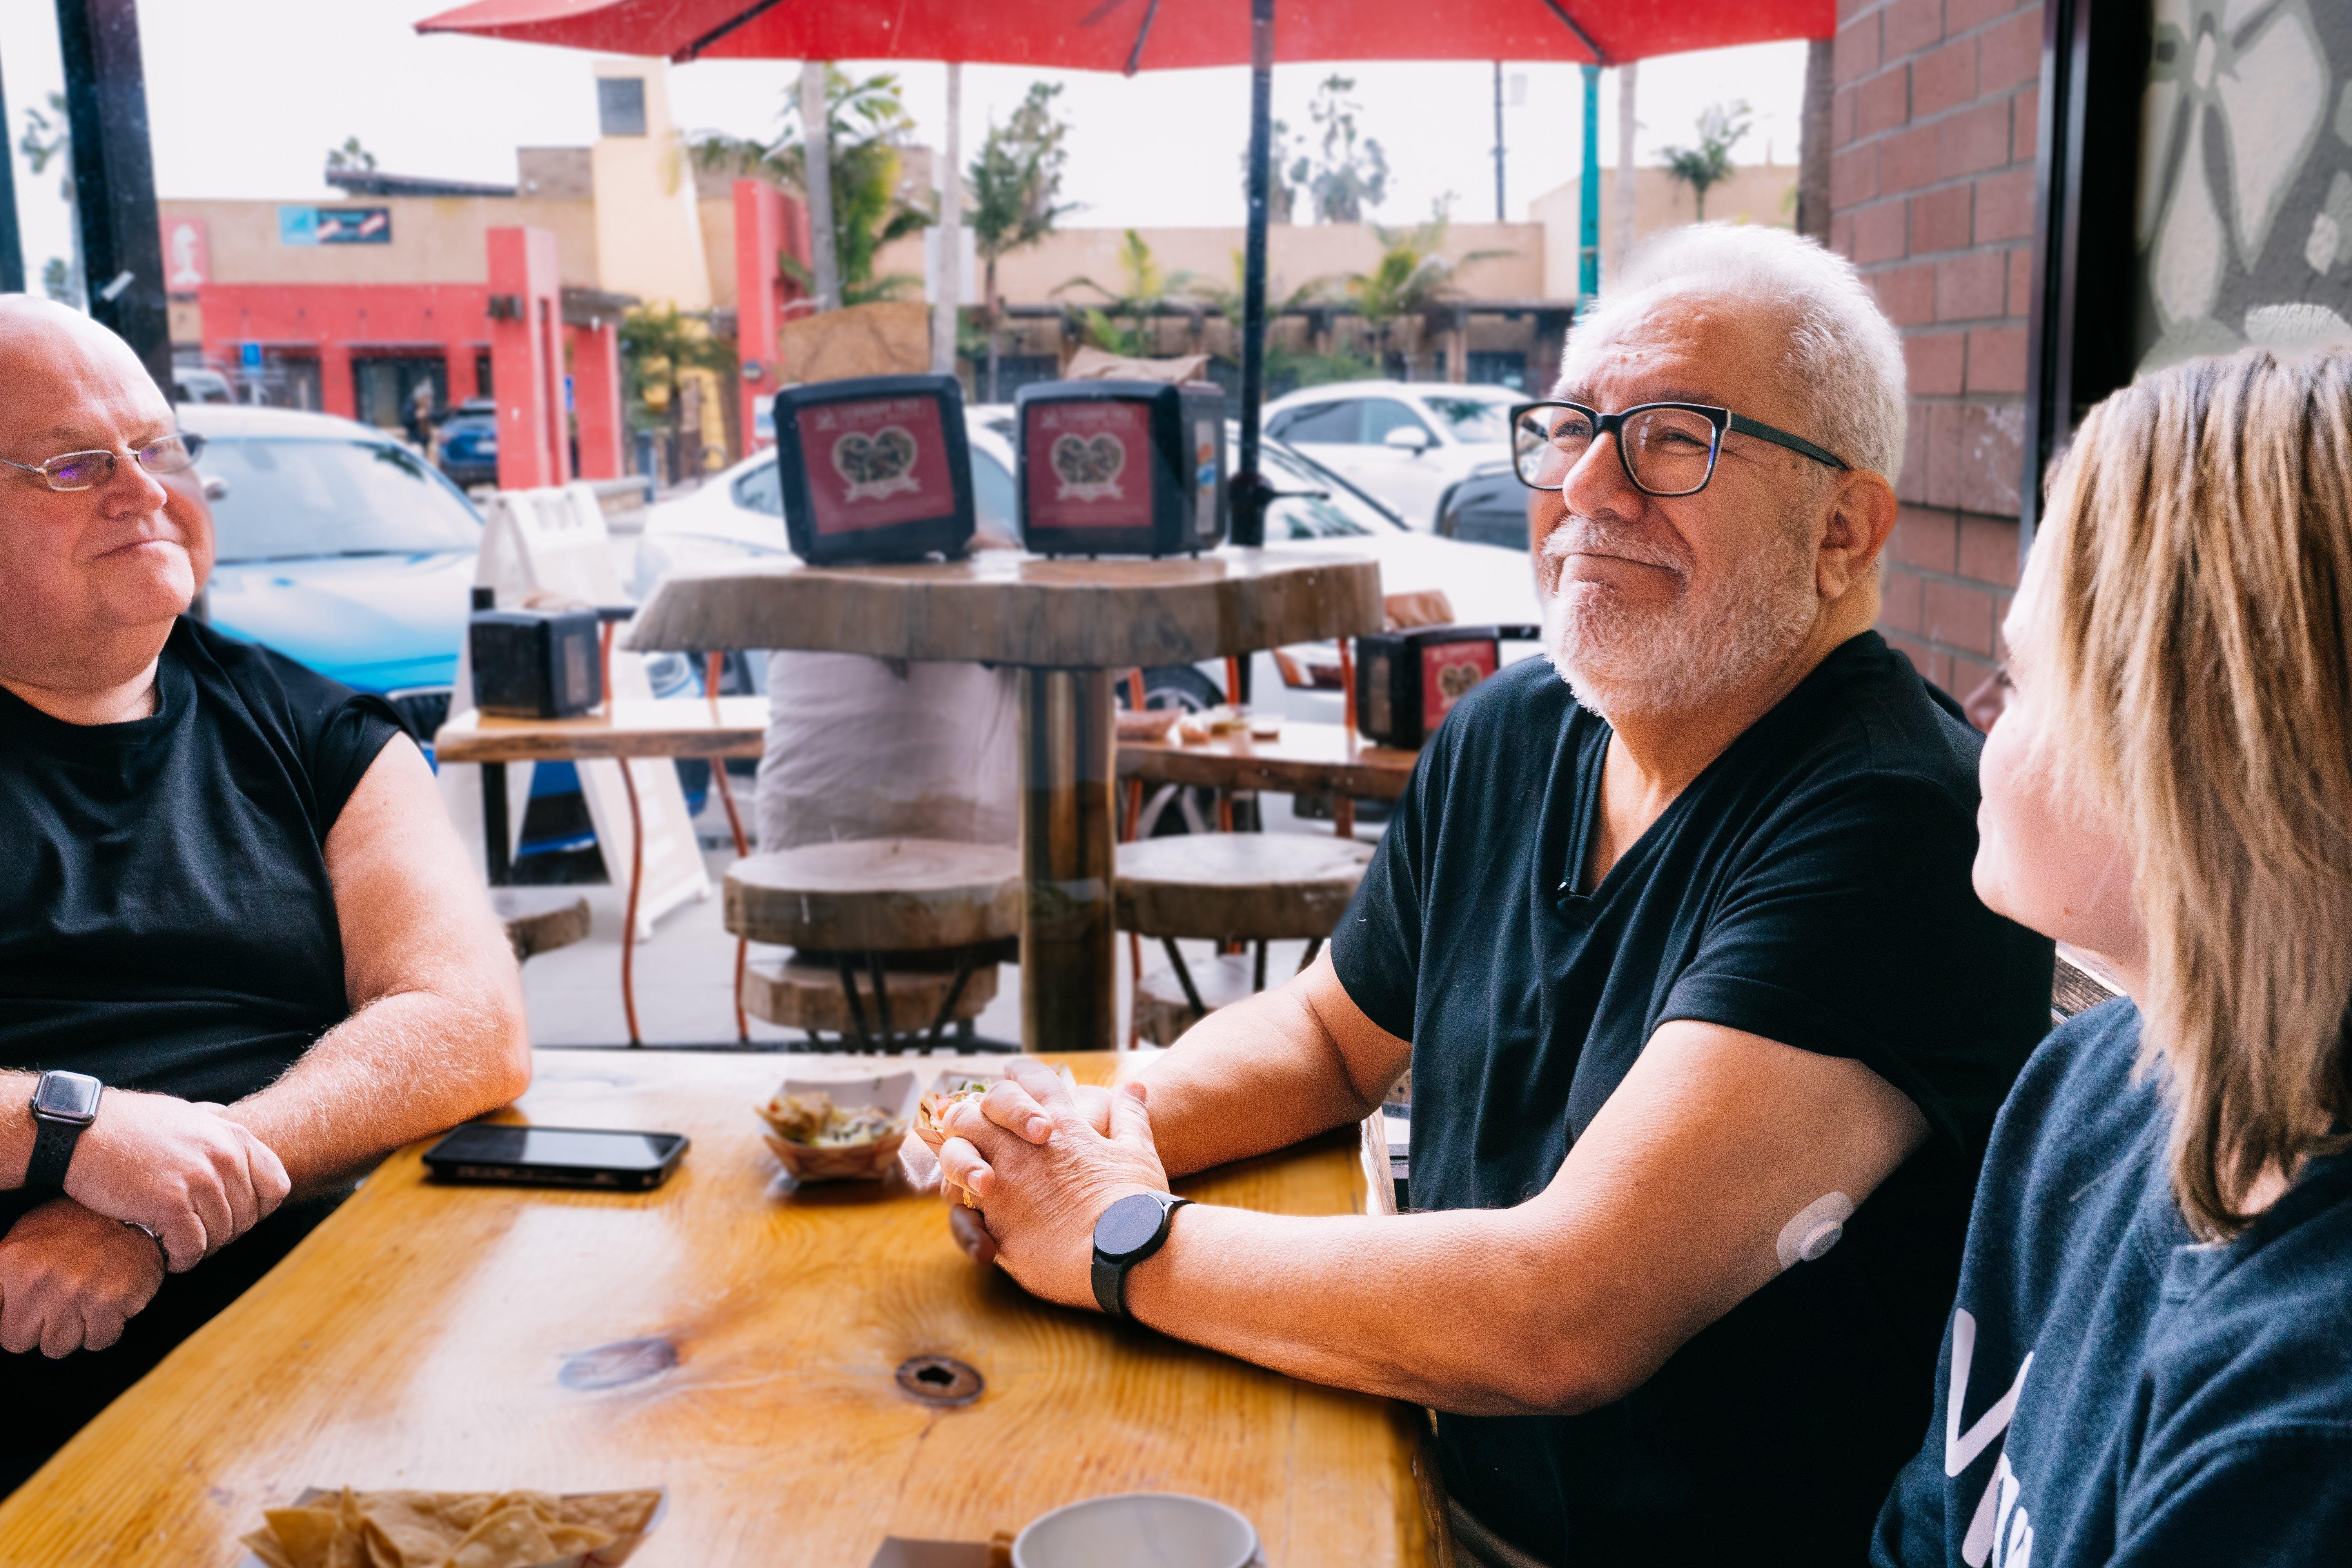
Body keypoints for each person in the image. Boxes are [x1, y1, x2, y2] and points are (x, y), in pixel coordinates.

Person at [928, 225, 2056, 1566]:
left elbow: (1567, 1310)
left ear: (1843, 527)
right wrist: (1076, 1140)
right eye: (1573, 429)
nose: (1588, 484)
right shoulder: (1520, 727)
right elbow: (1330, 1036)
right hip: (1425, 1477)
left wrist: (1120, 1242)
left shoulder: (1895, 821)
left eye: (1672, 438)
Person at [0, 298, 532, 1492]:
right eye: (76, 464)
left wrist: (172, 1197)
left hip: (327, 1339)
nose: (142, 491)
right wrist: (69, 1133)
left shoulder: (322, 730)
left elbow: (467, 1025)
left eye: (160, 448)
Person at [1873, 347, 2352, 1564]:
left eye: (2023, 679)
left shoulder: (2305, 1428)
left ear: (2201, 766)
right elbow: (1930, 1524)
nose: (1979, 717)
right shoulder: (2083, 1090)